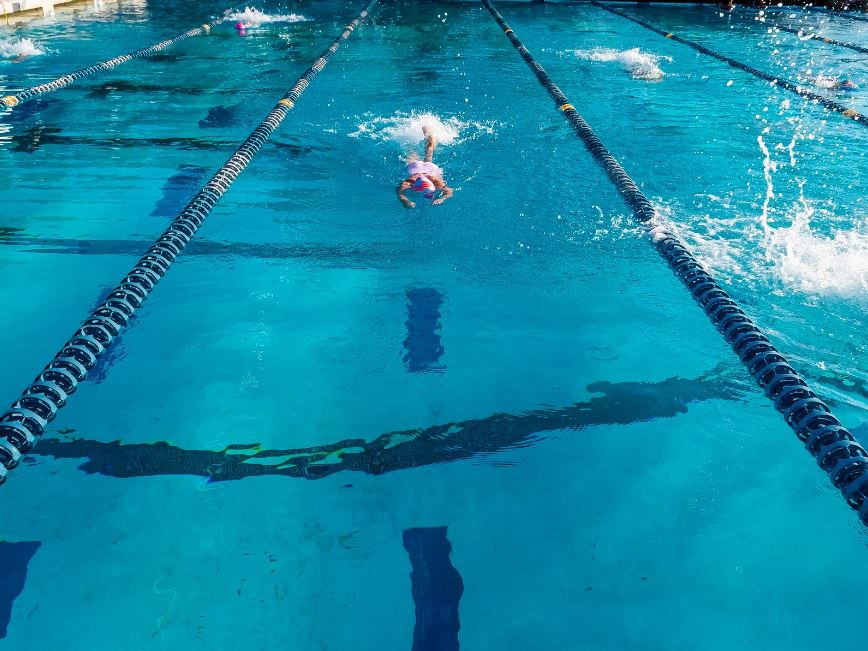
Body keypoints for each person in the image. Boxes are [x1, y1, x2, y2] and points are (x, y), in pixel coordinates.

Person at [397, 126, 454, 208]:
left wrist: (406, 202)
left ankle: (424, 133)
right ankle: (425, 132)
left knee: (427, 149)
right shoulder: (434, 181)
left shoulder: (411, 181)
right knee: (417, 151)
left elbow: (400, 193)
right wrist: (441, 199)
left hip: (426, 168)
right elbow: (449, 192)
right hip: (418, 168)